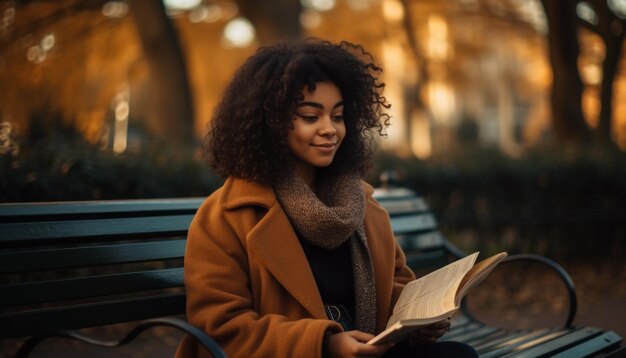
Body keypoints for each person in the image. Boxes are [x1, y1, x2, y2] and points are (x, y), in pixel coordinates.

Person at [176, 38, 477, 358]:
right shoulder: (226, 217)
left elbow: (395, 290)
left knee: (457, 355)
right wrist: (324, 344)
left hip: (366, 351)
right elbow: (221, 328)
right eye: (310, 116)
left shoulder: (362, 205)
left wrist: (420, 324)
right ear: (271, 123)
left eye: (338, 116)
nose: (330, 129)